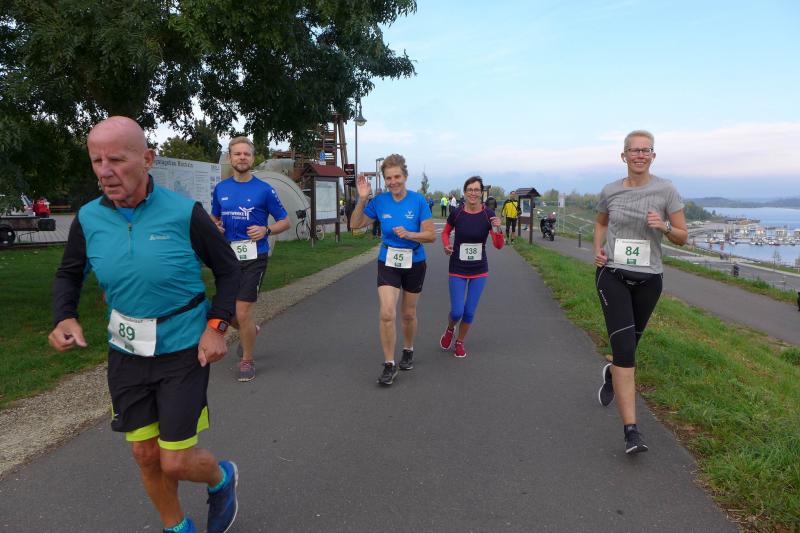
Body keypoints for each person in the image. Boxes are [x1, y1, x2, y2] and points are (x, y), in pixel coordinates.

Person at [48, 116, 241, 533]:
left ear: (147, 159)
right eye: (96, 160)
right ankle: (177, 527)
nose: (105, 171)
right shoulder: (88, 218)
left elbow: (229, 270)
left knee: (175, 459)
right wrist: (64, 315)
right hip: (127, 352)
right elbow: (69, 273)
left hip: (183, 349)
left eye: (116, 160)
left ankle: (221, 478)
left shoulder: (184, 213)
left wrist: (217, 326)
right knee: (145, 455)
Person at [593, 130, 687, 454]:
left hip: (649, 280)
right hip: (613, 275)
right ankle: (631, 432)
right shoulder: (610, 191)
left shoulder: (666, 190)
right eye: (634, 150)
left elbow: (683, 236)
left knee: (629, 349)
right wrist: (598, 250)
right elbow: (601, 223)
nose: (640, 155)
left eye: (646, 150)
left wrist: (664, 227)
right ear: (624, 156)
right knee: (624, 350)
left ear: (653, 156)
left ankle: (612, 374)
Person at [350, 154, 436, 385]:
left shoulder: (418, 201)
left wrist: (410, 234)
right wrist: (362, 199)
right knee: (387, 313)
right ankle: (389, 364)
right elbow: (355, 225)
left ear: (405, 176)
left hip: (415, 261)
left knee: (408, 313)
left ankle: (408, 349)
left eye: (397, 176)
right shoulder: (380, 201)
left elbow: (431, 235)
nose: (393, 182)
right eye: (389, 178)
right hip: (388, 260)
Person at [211, 137, 290, 382]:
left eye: (246, 154)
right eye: (237, 154)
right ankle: (251, 331)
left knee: (242, 312)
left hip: (255, 257)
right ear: (230, 157)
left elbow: (285, 221)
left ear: (252, 158)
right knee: (228, 313)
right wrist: (216, 227)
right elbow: (215, 218)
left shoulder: (264, 189)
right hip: (227, 258)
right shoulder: (221, 189)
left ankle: (247, 360)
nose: (242, 157)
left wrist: (266, 230)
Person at [439, 176, 504, 357]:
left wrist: (498, 229)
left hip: (479, 270)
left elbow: (498, 245)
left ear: (481, 193)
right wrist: (446, 245)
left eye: (476, 190)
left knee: (468, 313)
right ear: (465, 192)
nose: (473, 193)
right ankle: (450, 329)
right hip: (457, 268)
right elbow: (445, 232)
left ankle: (460, 342)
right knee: (457, 311)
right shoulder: (457, 213)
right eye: (470, 190)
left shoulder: (488, 214)